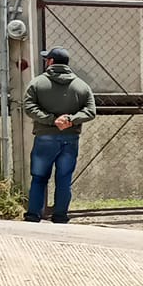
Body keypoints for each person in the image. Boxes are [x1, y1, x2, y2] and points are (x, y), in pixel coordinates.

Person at [22, 47, 97, 224]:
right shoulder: (81, 85)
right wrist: (70, 120)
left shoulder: (37, 83)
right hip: (70, 138)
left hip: (45, 138)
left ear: (50, 62)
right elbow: (91, 111)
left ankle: (34, 214)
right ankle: (60, 215)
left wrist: (51, 120)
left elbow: (29, 107)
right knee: (64, 179)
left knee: (39, 178)